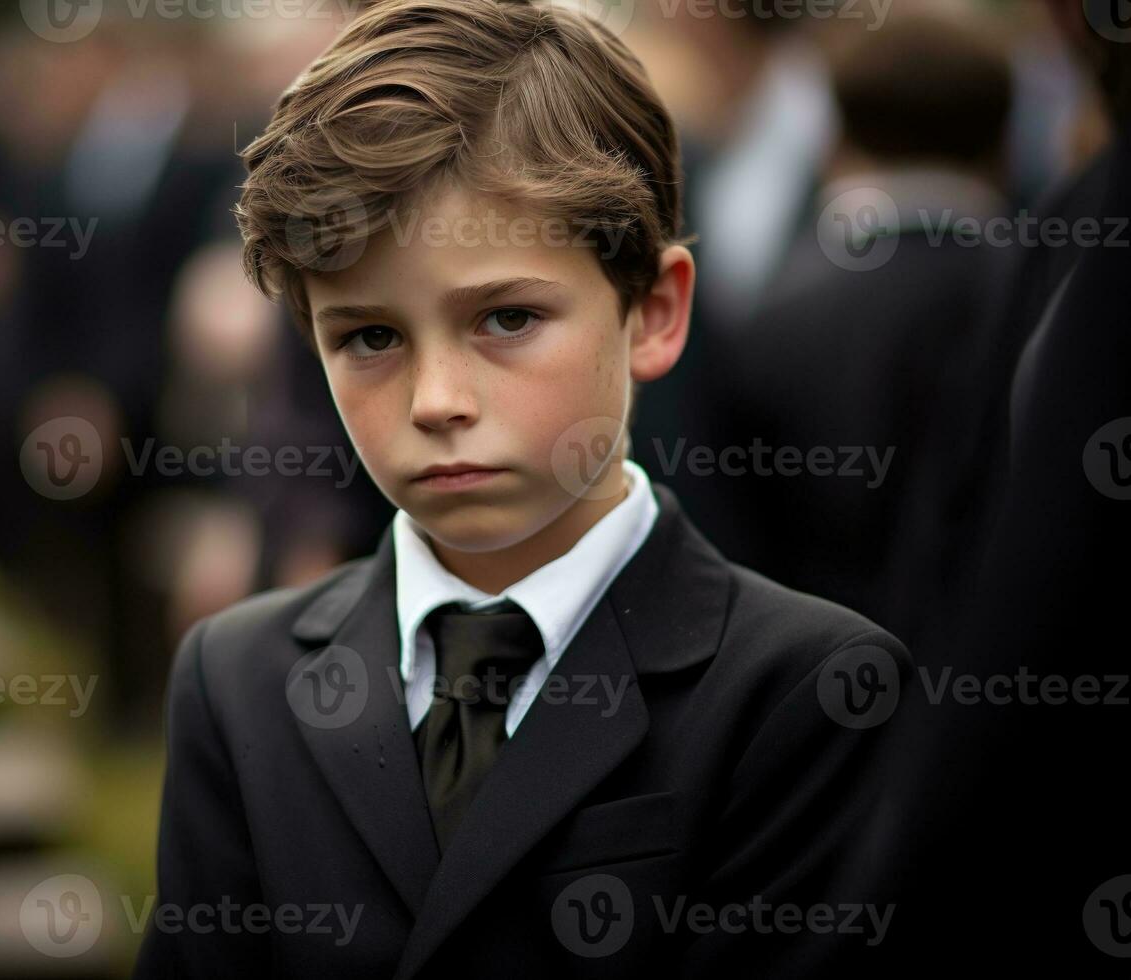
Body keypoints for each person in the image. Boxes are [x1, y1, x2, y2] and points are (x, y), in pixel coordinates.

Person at [134, 1, 913, 976]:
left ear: (653, 314)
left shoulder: (805, 690)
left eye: (506, 317)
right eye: (369, 337)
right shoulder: (236, 681)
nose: (438, 400)